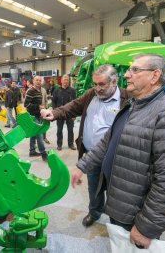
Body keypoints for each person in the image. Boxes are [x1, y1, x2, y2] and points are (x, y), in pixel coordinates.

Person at [71, 53, 165, 249]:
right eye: (129, 69)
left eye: (135, 70)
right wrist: (83, 166)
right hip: (121, 203)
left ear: (155, 76)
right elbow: (107, 142)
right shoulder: (133, 106)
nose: (127, 75)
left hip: (136, 214)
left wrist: (147, 228)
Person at [41, 65, 129, 227]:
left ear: (114, 81)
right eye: (94, 84)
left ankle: (116, 221)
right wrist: (54, 113)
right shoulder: (91, 95)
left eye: (101, 84)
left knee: (115, 191)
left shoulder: (127, 99)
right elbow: (73, 106)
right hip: (90, 155)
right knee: (93, 187)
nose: (97, 88)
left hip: (115, 158)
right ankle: (95, 212)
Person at [24, 75, 47, 161]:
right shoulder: (30, 91)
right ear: (33, 81)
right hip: (32, 116)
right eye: (36, 80)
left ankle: (32, 151)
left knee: (33, 134)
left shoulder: (39, 91)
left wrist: (41, 110)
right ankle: (43, 153)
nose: (38, 81)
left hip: (38, 115)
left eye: (40, 80)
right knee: (39, 135)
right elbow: (26, 104)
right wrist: (38, 107)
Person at [51, 75, 77, 151]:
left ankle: (71, 144)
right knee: (59, 130)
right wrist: (55, 112)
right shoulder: (56, 90)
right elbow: (53, 101)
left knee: (70, 130)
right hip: (60, 113)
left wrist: (74, 114)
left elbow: (75, 102)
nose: (66, 81)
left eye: (67, 80)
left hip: (70, 113)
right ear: (61, 81)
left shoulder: (72, 90)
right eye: (65, 80)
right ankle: (59, 144)